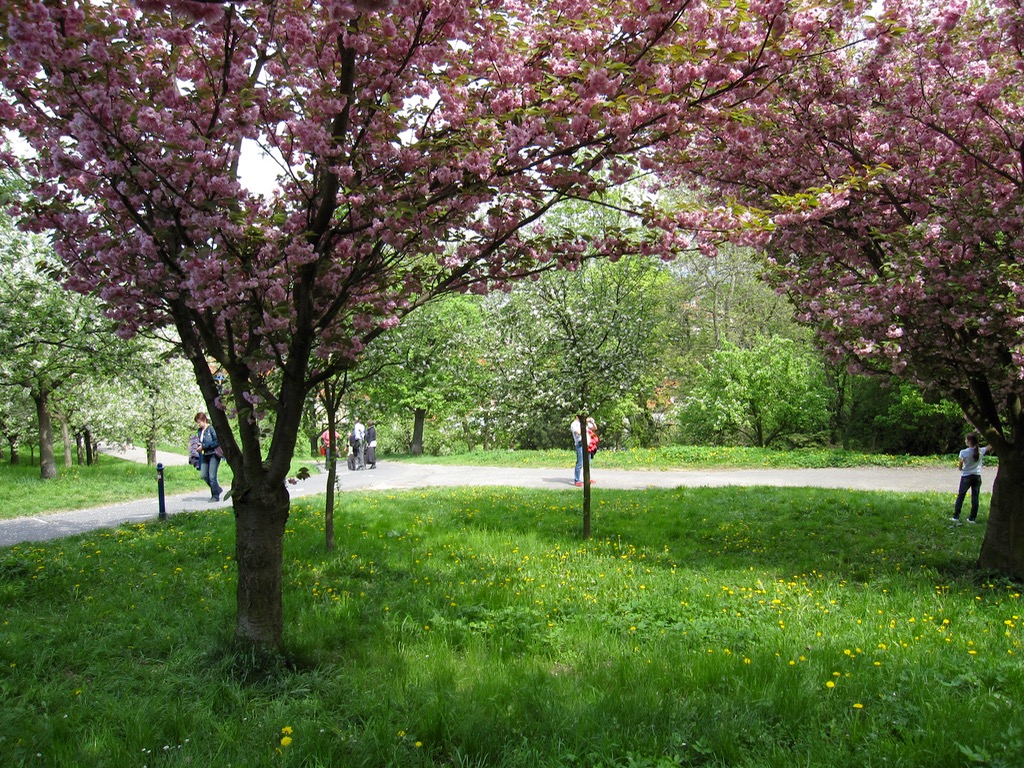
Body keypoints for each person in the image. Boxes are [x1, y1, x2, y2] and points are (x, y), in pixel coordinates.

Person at [952, 432, 991, 524]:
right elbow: (990, 446)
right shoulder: (980, 450)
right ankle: (972, 518)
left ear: (969, 441)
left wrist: (960, 468)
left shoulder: (963, 452)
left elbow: (960, 464)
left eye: (966, 439)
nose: (965, 441)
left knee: (961, 496)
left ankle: (956, 516)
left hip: (966, 476)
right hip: (977, 476)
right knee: (975, 497)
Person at [195, 411, 223, 502]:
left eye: (199, 422)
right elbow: (201, 442)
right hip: (205, 454)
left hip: (213, 454)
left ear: (204, 420)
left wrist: (204, 446)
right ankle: (217, 489)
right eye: (197, 422)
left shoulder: (211, 429)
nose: (198, 424)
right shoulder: (199, 431)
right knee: (203, 475)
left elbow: (217, 441)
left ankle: (215, 496)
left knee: (212, 476)